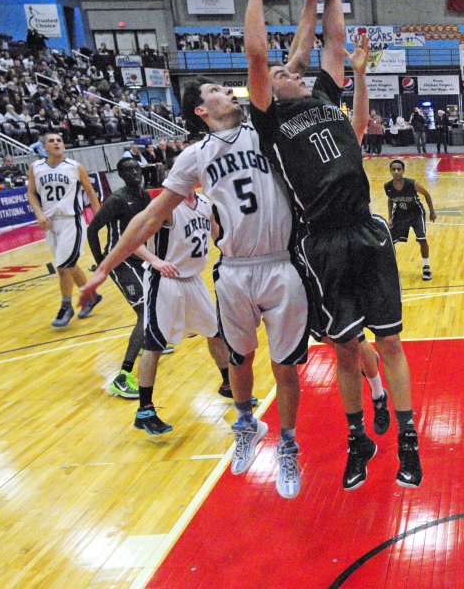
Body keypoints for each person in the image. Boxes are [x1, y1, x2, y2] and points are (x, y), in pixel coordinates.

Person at [231, 0, 422, 491]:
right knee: (345, 351)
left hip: (366, 229)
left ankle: (408, 440)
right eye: (289, 73)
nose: (296, 71)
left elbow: (332, 39)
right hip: (320, 242)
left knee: (390, 343)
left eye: (300, 71)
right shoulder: (267, 119)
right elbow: (260, 56)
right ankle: (356, 437)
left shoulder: (324, 97)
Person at [79, 68, 313, 496]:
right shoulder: (194, 156)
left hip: (282, 262)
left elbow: (276, 62)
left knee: (285, 367)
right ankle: (247, 424)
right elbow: (149, 218)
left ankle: (289, 446)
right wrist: (101, 269)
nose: (230, 91)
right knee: (239, 359)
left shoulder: (262, 126)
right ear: (202, 110)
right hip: (235, 268)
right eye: (218, 90)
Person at [131, 187, 235, 435]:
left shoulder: (204, 203)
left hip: (193, 279)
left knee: (215, 332)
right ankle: (144, 410)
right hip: (164, 280)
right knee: (154, 345)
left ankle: (229, 384)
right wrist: (156, 261)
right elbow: (133, 238)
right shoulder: (165, 205)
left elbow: (216, 234)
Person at [86, 158, 157, 398]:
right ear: (121, 175)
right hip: (120, 261)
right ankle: (123, 377)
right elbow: (92, 228)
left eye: (137, 169)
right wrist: (101, 265)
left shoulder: (145, 196)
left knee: (156, 301)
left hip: (140, 257)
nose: (135, 173)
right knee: (144, 313)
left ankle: (148, 338)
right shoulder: (116, 199)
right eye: (129, 170)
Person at [28, 133, 102, 327]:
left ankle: (66, 307)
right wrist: (38, 213)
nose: (56, 143)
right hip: (49, 223)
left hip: (71, 220)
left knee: (63, 267)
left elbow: (90, 192)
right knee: (68, 264)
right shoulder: (35, 168)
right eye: (51, 141)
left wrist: (101, 216)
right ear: (44, 147)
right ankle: (91, 296)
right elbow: (31, 194)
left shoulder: (75, 167)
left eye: (59, 140)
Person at [384, 159, 437, 280]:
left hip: (416, 213)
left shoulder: (411, 183)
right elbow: (390, 199)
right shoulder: (388, 186)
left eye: (399, 169)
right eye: (394, 169)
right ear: (390, 171)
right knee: (391, 242)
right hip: (400, 214)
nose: (396, 172)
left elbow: (427, 194)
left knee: (422, 240)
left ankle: (426, 267)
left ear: (403, 170)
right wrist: (390, 217)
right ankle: (391, 268)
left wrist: (432, 212)